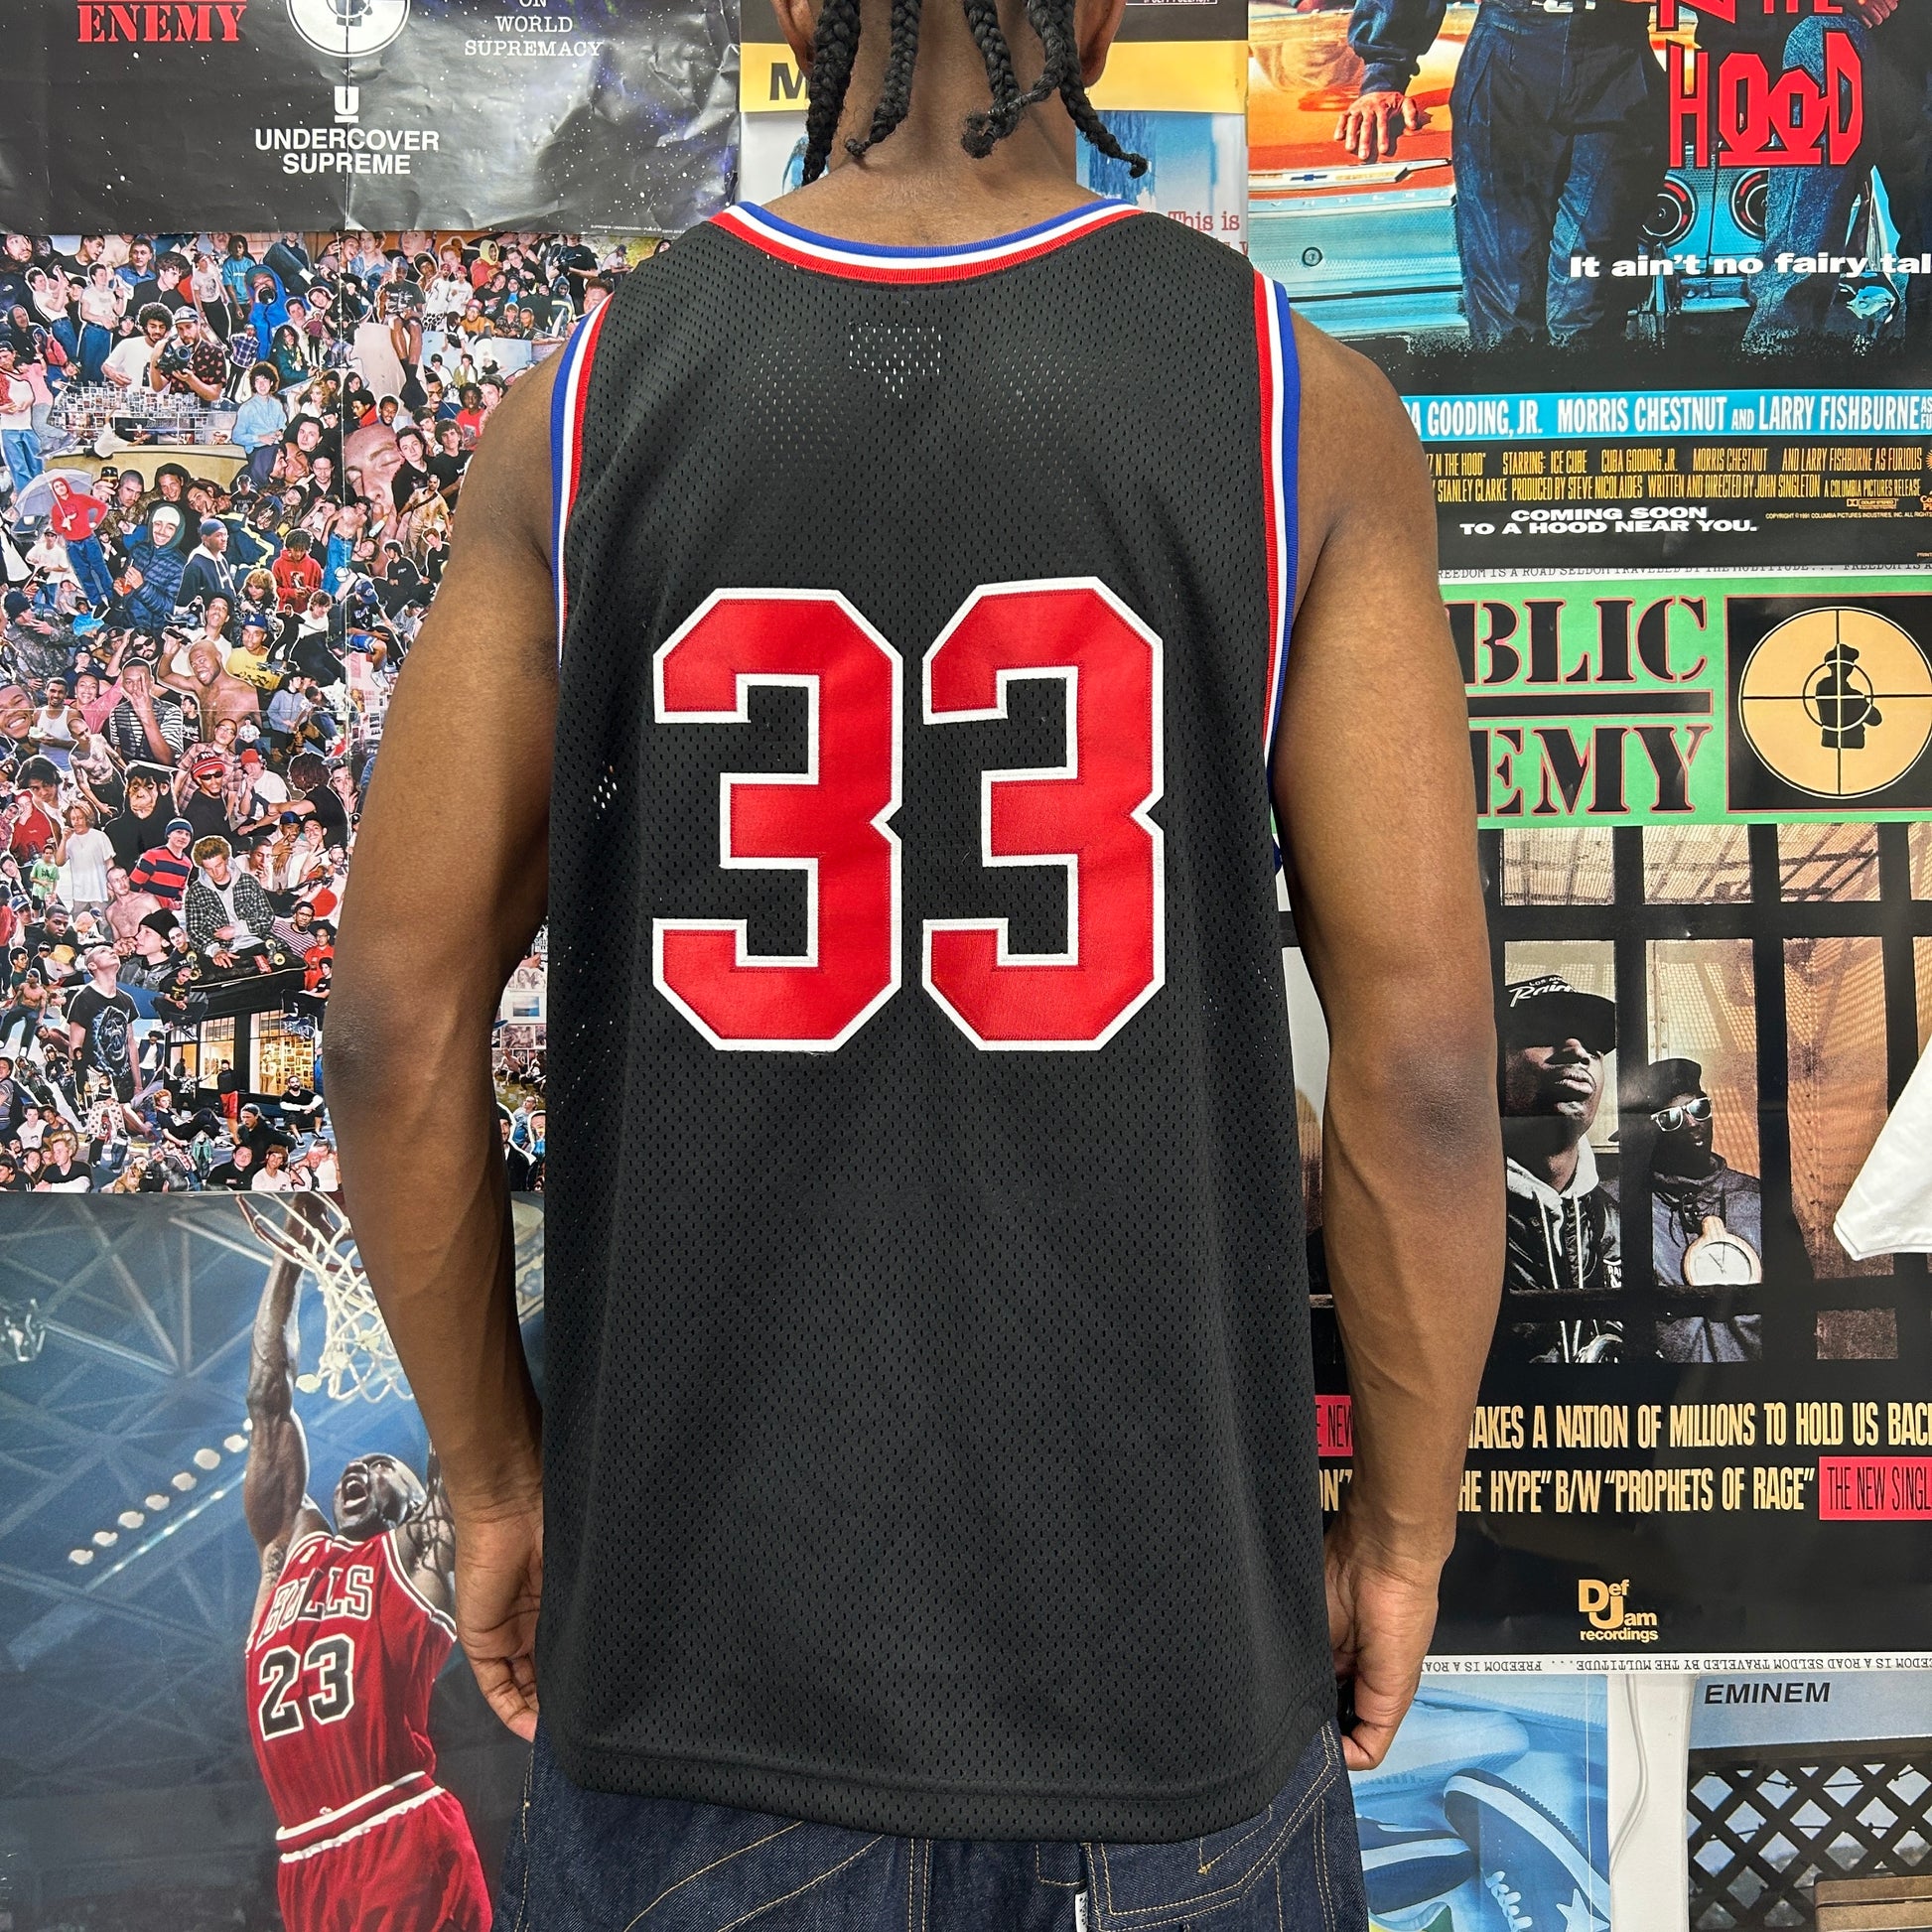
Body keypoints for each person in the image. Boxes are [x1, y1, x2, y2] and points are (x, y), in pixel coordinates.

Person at [326, 0, 1504, 1923]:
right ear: (1097, 14)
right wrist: (1402, 1529)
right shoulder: (1297, 405)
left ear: (796, 11)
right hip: (1168, 1691)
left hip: (697, 1685)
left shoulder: (587, 399)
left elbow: (391, 1029)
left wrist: (494, 1481)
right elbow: (1429, 1074)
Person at [240, 1235, 493, 1932]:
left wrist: (435, 1271)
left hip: (396, 1830)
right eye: (355, 1465)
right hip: (303, 1857)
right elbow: (267, 1401)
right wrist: (290, 1254)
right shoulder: (287, 1550)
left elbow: (462, 1438)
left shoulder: (417, 1554)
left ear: (414, 1501)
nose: (360, 1467)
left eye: (384, 1466)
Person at [1337, 0, 1665, 348]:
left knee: (1587, 306)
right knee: (1504, 315)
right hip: (1505, 60)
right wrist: (1383, 75)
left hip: (1620, 61)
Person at [1498, 974, 1621, 1362]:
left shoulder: (1621, 1226)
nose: (1577, 1050)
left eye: (1595, 1046)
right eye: (1544, 1033)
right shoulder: (1436, 1219)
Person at [1623, 1055, 1763, 1363]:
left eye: (1699, 1108)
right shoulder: (1622, 1209)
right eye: (1671, 1118)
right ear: (1648, 1131)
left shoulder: (1756, 1202)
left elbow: (1797, 1317)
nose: (1692, 1123)